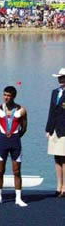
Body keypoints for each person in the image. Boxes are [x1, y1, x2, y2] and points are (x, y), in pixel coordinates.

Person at [0, 86, 28, 206]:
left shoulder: (21, 110)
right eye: (4, 95)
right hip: (2, 142)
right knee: (0, 170)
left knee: (17, 171)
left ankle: (18, 198)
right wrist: (2, 135)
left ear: (14, 96)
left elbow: (24, 127)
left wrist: (14, 136)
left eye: (8, 95)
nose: (6, 97)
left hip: (16, 142)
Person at [46, 68, 65, 197]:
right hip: (54, 129)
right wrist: (48, 129)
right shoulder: (55, 92)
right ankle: (58, 185)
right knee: (56, 158)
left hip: (64, 130)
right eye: (59, 77)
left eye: (62, 77)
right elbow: (51, 111)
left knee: (64, 158)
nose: (60, 79)